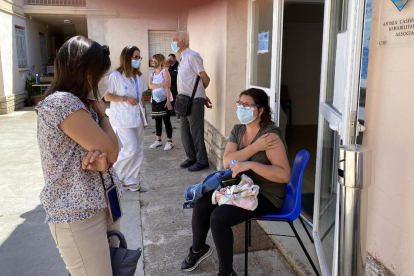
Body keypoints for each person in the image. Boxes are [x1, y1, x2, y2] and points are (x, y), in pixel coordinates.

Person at [36, 36, 123, 276]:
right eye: (101, 74)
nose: (103, 81)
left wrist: (103, 157)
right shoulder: (61, 103)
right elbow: (113, 149)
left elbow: (111, 151)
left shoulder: (84, 104)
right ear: (87, 73)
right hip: (78, 215)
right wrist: (103, 116)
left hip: (103, 203)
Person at [180, 88, 290, 276]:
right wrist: (255, 147)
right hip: (241, 187)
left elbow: (283, 175)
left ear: (261, 110)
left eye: (247, 105)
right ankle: (198, 250)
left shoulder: (270, 137)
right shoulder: (238, 130)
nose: (241, 108)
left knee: (219, 218)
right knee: (203, 204)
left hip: (266, 194)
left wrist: (252, 165)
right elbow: (227, 161)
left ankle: (226, 273)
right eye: (240, 104)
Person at [104, 46, 148, 192]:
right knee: (130, 148)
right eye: (135, 57)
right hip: (123, 118)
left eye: (139, 57)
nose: (138, 60)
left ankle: (130, 179)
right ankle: (113, 175)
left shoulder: (140, 76)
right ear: (127, 57)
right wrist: (125, 98)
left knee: (139, 149)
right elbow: (107, 96)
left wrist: (145, 115)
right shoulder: (116, 76)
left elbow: (141, 96)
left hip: (137, 116)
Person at [172, 31, 212, 172]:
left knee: (196, 131)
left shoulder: (193, 56)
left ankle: (202, 161)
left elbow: (205, 78)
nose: (172, 43)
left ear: (182, 41)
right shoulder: (183, 58)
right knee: (184, 131)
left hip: (194, 100)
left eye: (174, 40)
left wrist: (201, 94)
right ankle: (191, 157)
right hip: (184, 100)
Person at [148, 53, 174, 151]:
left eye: (155, 61)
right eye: (152, 61)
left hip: (164, 100)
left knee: (166, 120)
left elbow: (168, 86)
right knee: (157, 120)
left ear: (160, 61)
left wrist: (168, 101)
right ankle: (158, 140)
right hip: (155, 100)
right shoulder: (152, 73)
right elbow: (150, 86)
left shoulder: (165, 72)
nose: (153, 62)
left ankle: (169, 141)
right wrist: (161, 84)